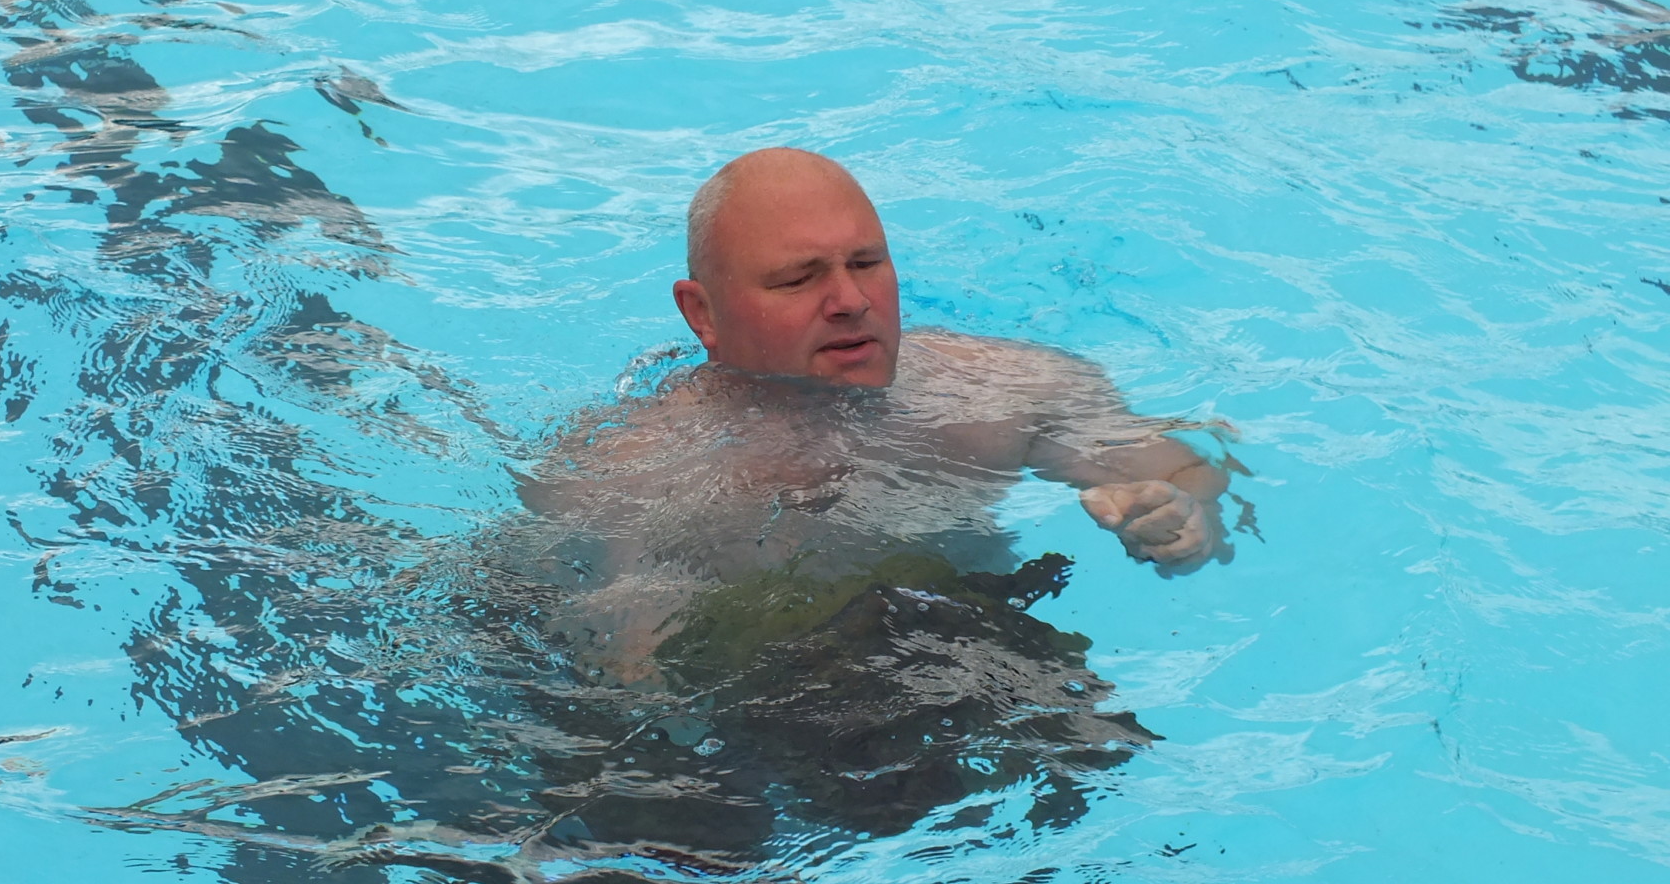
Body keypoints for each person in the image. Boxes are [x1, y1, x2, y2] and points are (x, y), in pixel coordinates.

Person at [516, 146, 1232, 685]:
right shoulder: (625, 472)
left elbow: (1186, 472)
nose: (850, 301)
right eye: (799, 278)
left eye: (866, 264)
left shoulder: (1004, 391)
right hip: (754, 696)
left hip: (957, 647)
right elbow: (623, 680)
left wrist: (1183, 519)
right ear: (702, 313)